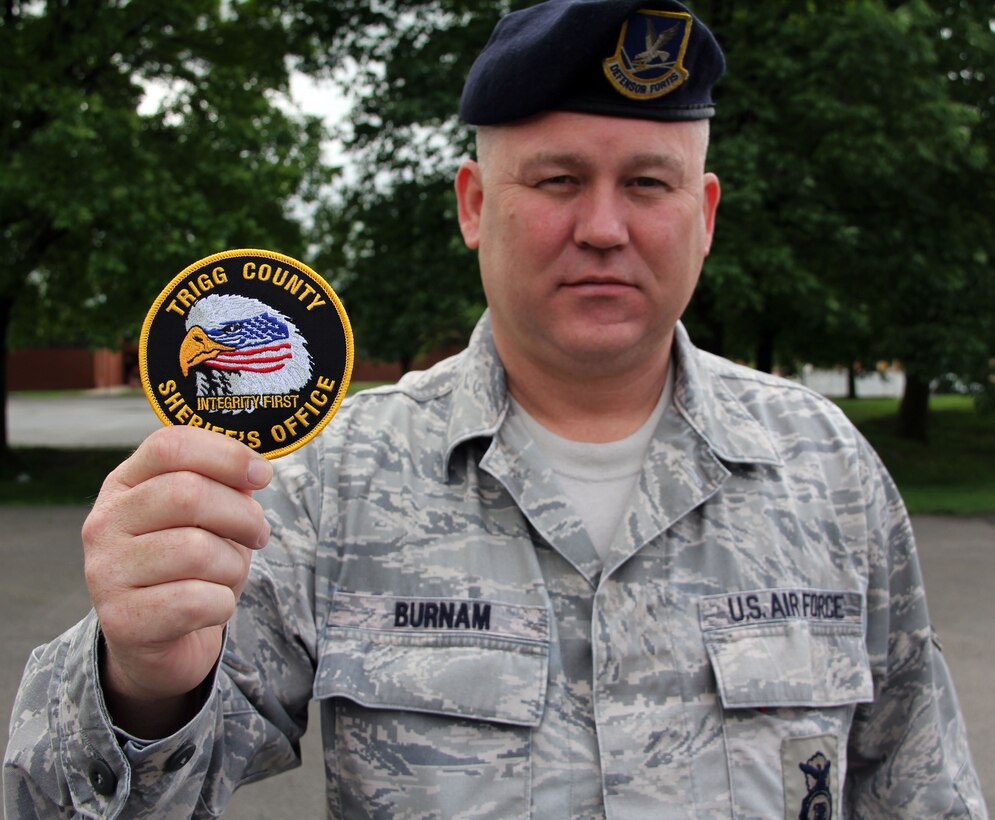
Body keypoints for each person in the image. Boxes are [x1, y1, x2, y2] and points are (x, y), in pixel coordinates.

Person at [4, 0, 987, 817]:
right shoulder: (327, 480)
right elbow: (82, 798)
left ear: (705, 213)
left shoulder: (823, 467)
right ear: (473, 204)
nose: (602, 227)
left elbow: (919, 786)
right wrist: (139, 676)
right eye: (556, 180)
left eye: (647, 182)